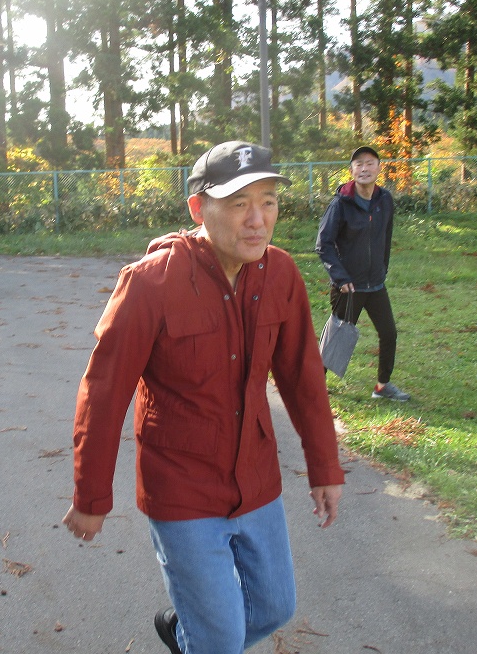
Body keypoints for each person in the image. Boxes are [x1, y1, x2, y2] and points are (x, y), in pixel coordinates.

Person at [63, 141, 345, 654]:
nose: (257, 220)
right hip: (182, 488)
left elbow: (304, 378)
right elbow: (103, 395)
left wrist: (325, 466)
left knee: (275, 607)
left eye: (269, 202)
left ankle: (185, 630)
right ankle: (201, 633)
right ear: (199, 209)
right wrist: (91, 497)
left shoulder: (280, 275)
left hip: (255, 479)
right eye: (239, 204)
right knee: (219, 640)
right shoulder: (151, 284)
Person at [315, 145, 410, 401]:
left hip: (375, 284)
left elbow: (385, 237)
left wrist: (382, 268)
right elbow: (323, 244)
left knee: (389, 332)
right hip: (349, 286)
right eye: (359, 164)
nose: (364, 168)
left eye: (370, 163)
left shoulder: (385, 200)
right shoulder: (341, 204)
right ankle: (314, 387)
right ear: (352, 170)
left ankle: (382, 386)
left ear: (379, 168)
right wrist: (341, 277)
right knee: (337, 336)